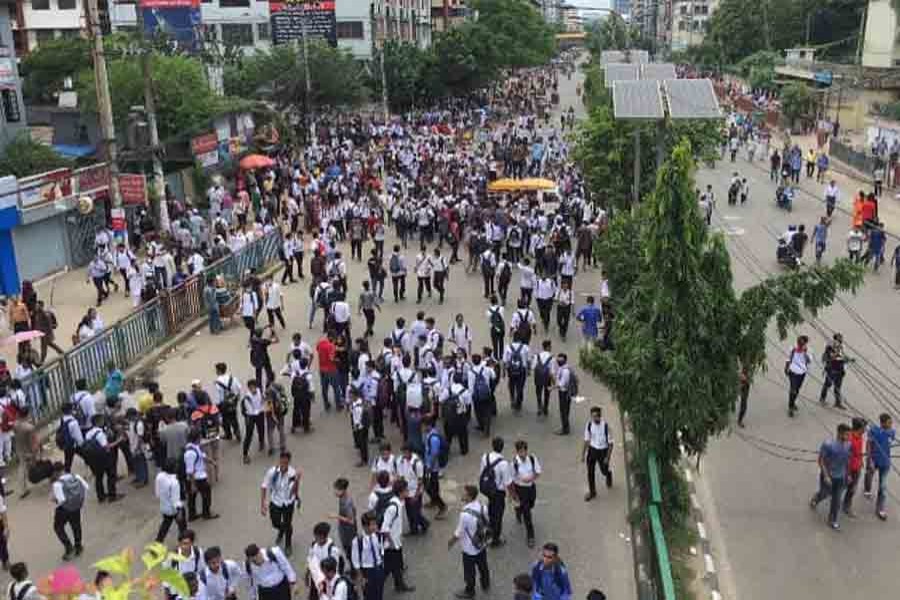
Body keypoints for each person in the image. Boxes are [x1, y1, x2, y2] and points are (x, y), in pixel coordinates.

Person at [448, 484, 490, 599]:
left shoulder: (465, 514)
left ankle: (470, 590)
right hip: (481, 543)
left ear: (469, 496)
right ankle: (485, 584)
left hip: (469, 548)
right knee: (483, 566)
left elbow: (459, 532)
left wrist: (450, 542)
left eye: (464, 493)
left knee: (469, 572)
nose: (462, 494)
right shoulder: (483, 507)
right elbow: (486, 521)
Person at [810, 423, 852, 530]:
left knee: (837, 500)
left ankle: (832, 519)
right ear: (839, 433)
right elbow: (821, 461)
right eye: (847, 435)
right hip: (828, 476)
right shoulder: (828, 444)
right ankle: (816, 498)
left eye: (849, 435)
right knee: (824, 493)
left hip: (841, 477)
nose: (848, 437)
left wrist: (848, 474)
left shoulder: (848, 445)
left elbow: (847, 461)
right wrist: (826, 476)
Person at [261, 451, 301, 556]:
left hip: (288, 502)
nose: (283, 465)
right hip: (275, 501)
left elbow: (293, 491)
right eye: (282, 462)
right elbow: (264, 486)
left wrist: (297, 481)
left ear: (289, 462)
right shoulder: (272, 472)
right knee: (275, 522)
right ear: (279, 460)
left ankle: (288, 544)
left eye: (286, 463)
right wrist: (263, 504)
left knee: (288, 524)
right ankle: (282, 529)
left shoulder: (292, 473)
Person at [379, 478, 415, 593]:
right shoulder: (393, 507)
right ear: (401, 492)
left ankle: (399, 585)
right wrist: (392, 543)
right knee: (388, 568)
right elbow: (385, 528)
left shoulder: (399, 503)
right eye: (406, 490)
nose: (407, 492)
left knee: (397, 566)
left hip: (395, 542)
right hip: (391, 544)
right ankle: (374, 587)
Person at [479, 437, 513, 547]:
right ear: (502, 447)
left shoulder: (485, 457)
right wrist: (512, 495)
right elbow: (508, 482)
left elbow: (481, 472)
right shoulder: (503, 463)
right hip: (498, 493)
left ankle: (488, 532)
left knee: (490, 512)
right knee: (497, 516)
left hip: (487, 488)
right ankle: (495, 540)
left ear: (492, 446)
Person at [50, 462, 88, 560]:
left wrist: (54, 498)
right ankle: (78, 546)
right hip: (76, 506)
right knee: (76, 526)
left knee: (58, 527)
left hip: (64, 509)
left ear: (55, 472)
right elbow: (86, 487)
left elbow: (61, 500)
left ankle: (68, 547)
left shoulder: (57, 484)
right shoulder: (76, 476)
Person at [82, 414, 122, 502]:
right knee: (111, 475)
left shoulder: (88, 433)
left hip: (93, 459)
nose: (103, 422)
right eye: (102, 420)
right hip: (104, 458)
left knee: (98, 477)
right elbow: (106, 447)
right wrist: (118, 441)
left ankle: (101, 496)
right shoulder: (100, 433)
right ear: (99, 422)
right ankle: (112, 495)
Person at [865, 412, 895, 520]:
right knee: (869, 475)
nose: (891, 424)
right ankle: (867, 489)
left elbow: (890, 442)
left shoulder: (892, 432)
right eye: (889, 422)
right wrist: (870, 460)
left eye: (891, 422)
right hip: (874, 460)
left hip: (885, 463)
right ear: (882, 423)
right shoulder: (874, 431)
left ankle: (880, 509)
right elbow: (868, 445)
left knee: (882, 487)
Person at [510, 440, 541, 548]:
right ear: (517, 451)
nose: (523, 453)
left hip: (531, 488)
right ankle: (530, 536)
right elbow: (512, 480)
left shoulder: (532, 459)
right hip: (520, 490)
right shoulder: (514, 463)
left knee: (531, 504)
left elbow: (538, 472)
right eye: (520, 451)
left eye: (524, 451)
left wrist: (531, 479)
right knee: (527, 514)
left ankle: (518, 510)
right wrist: (513, 494)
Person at [184, 429, 219, 521]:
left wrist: (211, 461)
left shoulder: (194, 447)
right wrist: (193, 484)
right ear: (196, 438)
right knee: (206, 494)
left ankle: (192, 515)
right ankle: (206, 513)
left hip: (197, 477)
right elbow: (190, 471)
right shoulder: (190, 453)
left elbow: (202, 456)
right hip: (197, 478)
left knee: (192, 497)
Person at [582, 406, 613, 501]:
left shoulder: (606, 427)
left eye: (596, 416)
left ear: (600, 416)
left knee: (603, 470)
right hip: (592, 451)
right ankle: (592, 492)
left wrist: (607, 457)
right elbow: (586, 440)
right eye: (592, 416)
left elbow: (611, 444)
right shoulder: (589, 425)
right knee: (590, 472)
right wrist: (583, 454)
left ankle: (608, 474)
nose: (594, 418)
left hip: (603, 451)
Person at [351, 511, 384, 600]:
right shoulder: (357, 541)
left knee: (379, 592)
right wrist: (361, 577)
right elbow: (355, 561)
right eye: (372, 524)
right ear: (365, 526)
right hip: (367, 571)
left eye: (375, 524)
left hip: (378, 567)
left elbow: (380, 550)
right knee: (369, 595)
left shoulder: (377, 535)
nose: (375, 527)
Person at [307, 522, 345, 599]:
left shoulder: (332, 550)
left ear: (323, 537)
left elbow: (334, 569)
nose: (315, 538)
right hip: (316, 578)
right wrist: (307, 573)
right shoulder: (314, 544)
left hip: (326, 579)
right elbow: (310, 559)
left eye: (317, 536)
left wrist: (327, 583)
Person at [155, 458, 186, 543]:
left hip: (164, 507)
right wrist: (179, 512)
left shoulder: (159, 476)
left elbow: (157, 493)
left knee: (165, 525)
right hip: (174, 509)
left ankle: (158, 542)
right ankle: (184, 540)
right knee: (182, 526)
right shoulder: (174, 482)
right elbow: (175, 501)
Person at [842, 417, 866, 517]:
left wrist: (861, 460)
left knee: (852, 489)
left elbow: (859, 451)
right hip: (848, 469)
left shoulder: (860, 436)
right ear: (859, 428)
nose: (865, 429)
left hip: (857, 467)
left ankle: (846, 506)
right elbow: (846, 458)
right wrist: (848, 474)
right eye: (864, 427)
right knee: (839, 487)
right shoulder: (849, 439)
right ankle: (819, 497)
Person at [819, 333, 848, 409]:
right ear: (835, 339)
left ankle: (838, 403)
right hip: (832, 369)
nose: (841, 340)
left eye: (841, 338)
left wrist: (847, 359)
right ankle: (822, 399)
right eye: (840, 338)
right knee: (827, 385)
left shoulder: (841, 347)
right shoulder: (830, 347)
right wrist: (837, 353)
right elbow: (830, 357)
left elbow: (843, 357)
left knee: (838, 387)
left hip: (840, 369)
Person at [331, 478, 357, 560]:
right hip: (345, 528)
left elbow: (351, 520)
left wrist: (336, 516)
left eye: (337, 490)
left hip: (348, 531)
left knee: (349, 549)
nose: (335, 492)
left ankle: (354, 569)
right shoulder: (343, 498)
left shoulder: (346, 503)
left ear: (343, 490)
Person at [242, 379, 267, 463]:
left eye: (254, 387)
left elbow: (263, 400)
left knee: (261, 429)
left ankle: (261, 442)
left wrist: (264, 406)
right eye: (251, 387)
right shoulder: (247, 397)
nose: (253, 389)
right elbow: (250, 411)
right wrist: (261, 409)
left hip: (260, 414)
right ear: (248, 388)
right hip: (251, 416)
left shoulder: (259, 391)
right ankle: (245, 454)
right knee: (249, 435)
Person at [786, 335, 811, 417]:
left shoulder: (808, 350)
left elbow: (809, 361)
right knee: (793, 389)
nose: (799, 344)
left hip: (802, 372)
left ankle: (793, 402)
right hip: (793, 371)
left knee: (797, 389)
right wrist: (786, 368)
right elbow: (788, 359)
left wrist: (805, 352)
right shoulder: (792, 348)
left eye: (802, 343)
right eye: (799, 342)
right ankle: (790, 407)